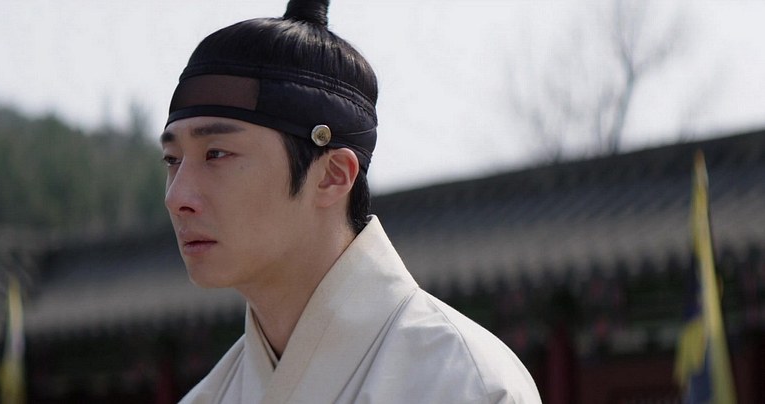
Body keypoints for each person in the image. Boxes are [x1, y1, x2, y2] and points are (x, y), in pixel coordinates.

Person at [161, 0, 541, 402]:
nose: (176, 197)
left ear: (332, 175)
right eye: (172, 160)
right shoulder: (209, 398)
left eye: (216, 153)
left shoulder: (463, 383)